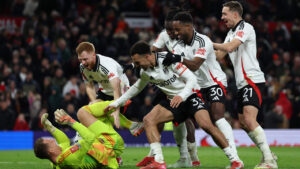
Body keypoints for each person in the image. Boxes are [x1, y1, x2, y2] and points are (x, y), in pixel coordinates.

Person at [106, 41, 243, 169]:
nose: (136, 65)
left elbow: (191, 79)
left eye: (137, 62)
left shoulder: (167, 59)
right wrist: (116, 103)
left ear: (147, 56)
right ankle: (159, 161)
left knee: (207, 126)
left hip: (190, 96)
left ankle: (235, 160)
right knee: (149, 120)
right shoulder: (144, 71)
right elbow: (136, 88)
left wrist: (181, 96)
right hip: (172, 101)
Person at [162, 11, 241, 167]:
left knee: (217, 116)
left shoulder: (203, 40)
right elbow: (178, 68)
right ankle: (191, 159)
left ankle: (235, 157)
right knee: (182, 119)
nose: (176, 33)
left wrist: (177, 58)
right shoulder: (178, 45)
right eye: (174, 30)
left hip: (213, 81)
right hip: (194, 86)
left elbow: (195, 64)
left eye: (178, 30)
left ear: (189, 26)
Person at [213, 1, 278, 168]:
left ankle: (269, 161)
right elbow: (220, 55)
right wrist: (199, 51)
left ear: (235, 14)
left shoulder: (245, 27)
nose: (222, 18)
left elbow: (230, 47)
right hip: (241, 84)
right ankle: (268, 154)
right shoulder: (231, 33)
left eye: (224, 14)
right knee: (242, 122)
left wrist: (210, 43)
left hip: (252, 80)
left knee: (249, 119)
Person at [149, 8, 200, 168]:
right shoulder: (164, 34)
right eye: (168, 29)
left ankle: (193, 156)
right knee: (156, 114)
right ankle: (154, 154)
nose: (170, 33)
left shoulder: (188, 37)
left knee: (185, 120)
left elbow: (192, 62)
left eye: (173, 29)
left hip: (185, 80)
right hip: (168, 80)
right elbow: (153, 50)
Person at [76, 42, 144, 137]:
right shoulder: (83, 67)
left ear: (93, 55)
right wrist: (94, 100)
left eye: (85, 59)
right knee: (91, 110)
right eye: (80, 60)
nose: (82, 62)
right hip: (105, 90)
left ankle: (80, 138)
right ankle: (132, 125)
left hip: (121, 91)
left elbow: (116, 89)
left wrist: (116, 112)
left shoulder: (106, 65)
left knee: (99, 111)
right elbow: (89, 86)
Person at [34, 101, 126, 169]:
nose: (52, 139)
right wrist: (70, 121)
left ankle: (116, 159)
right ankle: (123, 101)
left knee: (93, 111)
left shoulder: (56, 162)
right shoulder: (69, 157)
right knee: (84, 112)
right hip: (112, 144)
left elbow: (64, 141)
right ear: (51, 151)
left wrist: (50, 127)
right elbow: (90, 138)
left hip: (104, 154)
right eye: (50, 141)